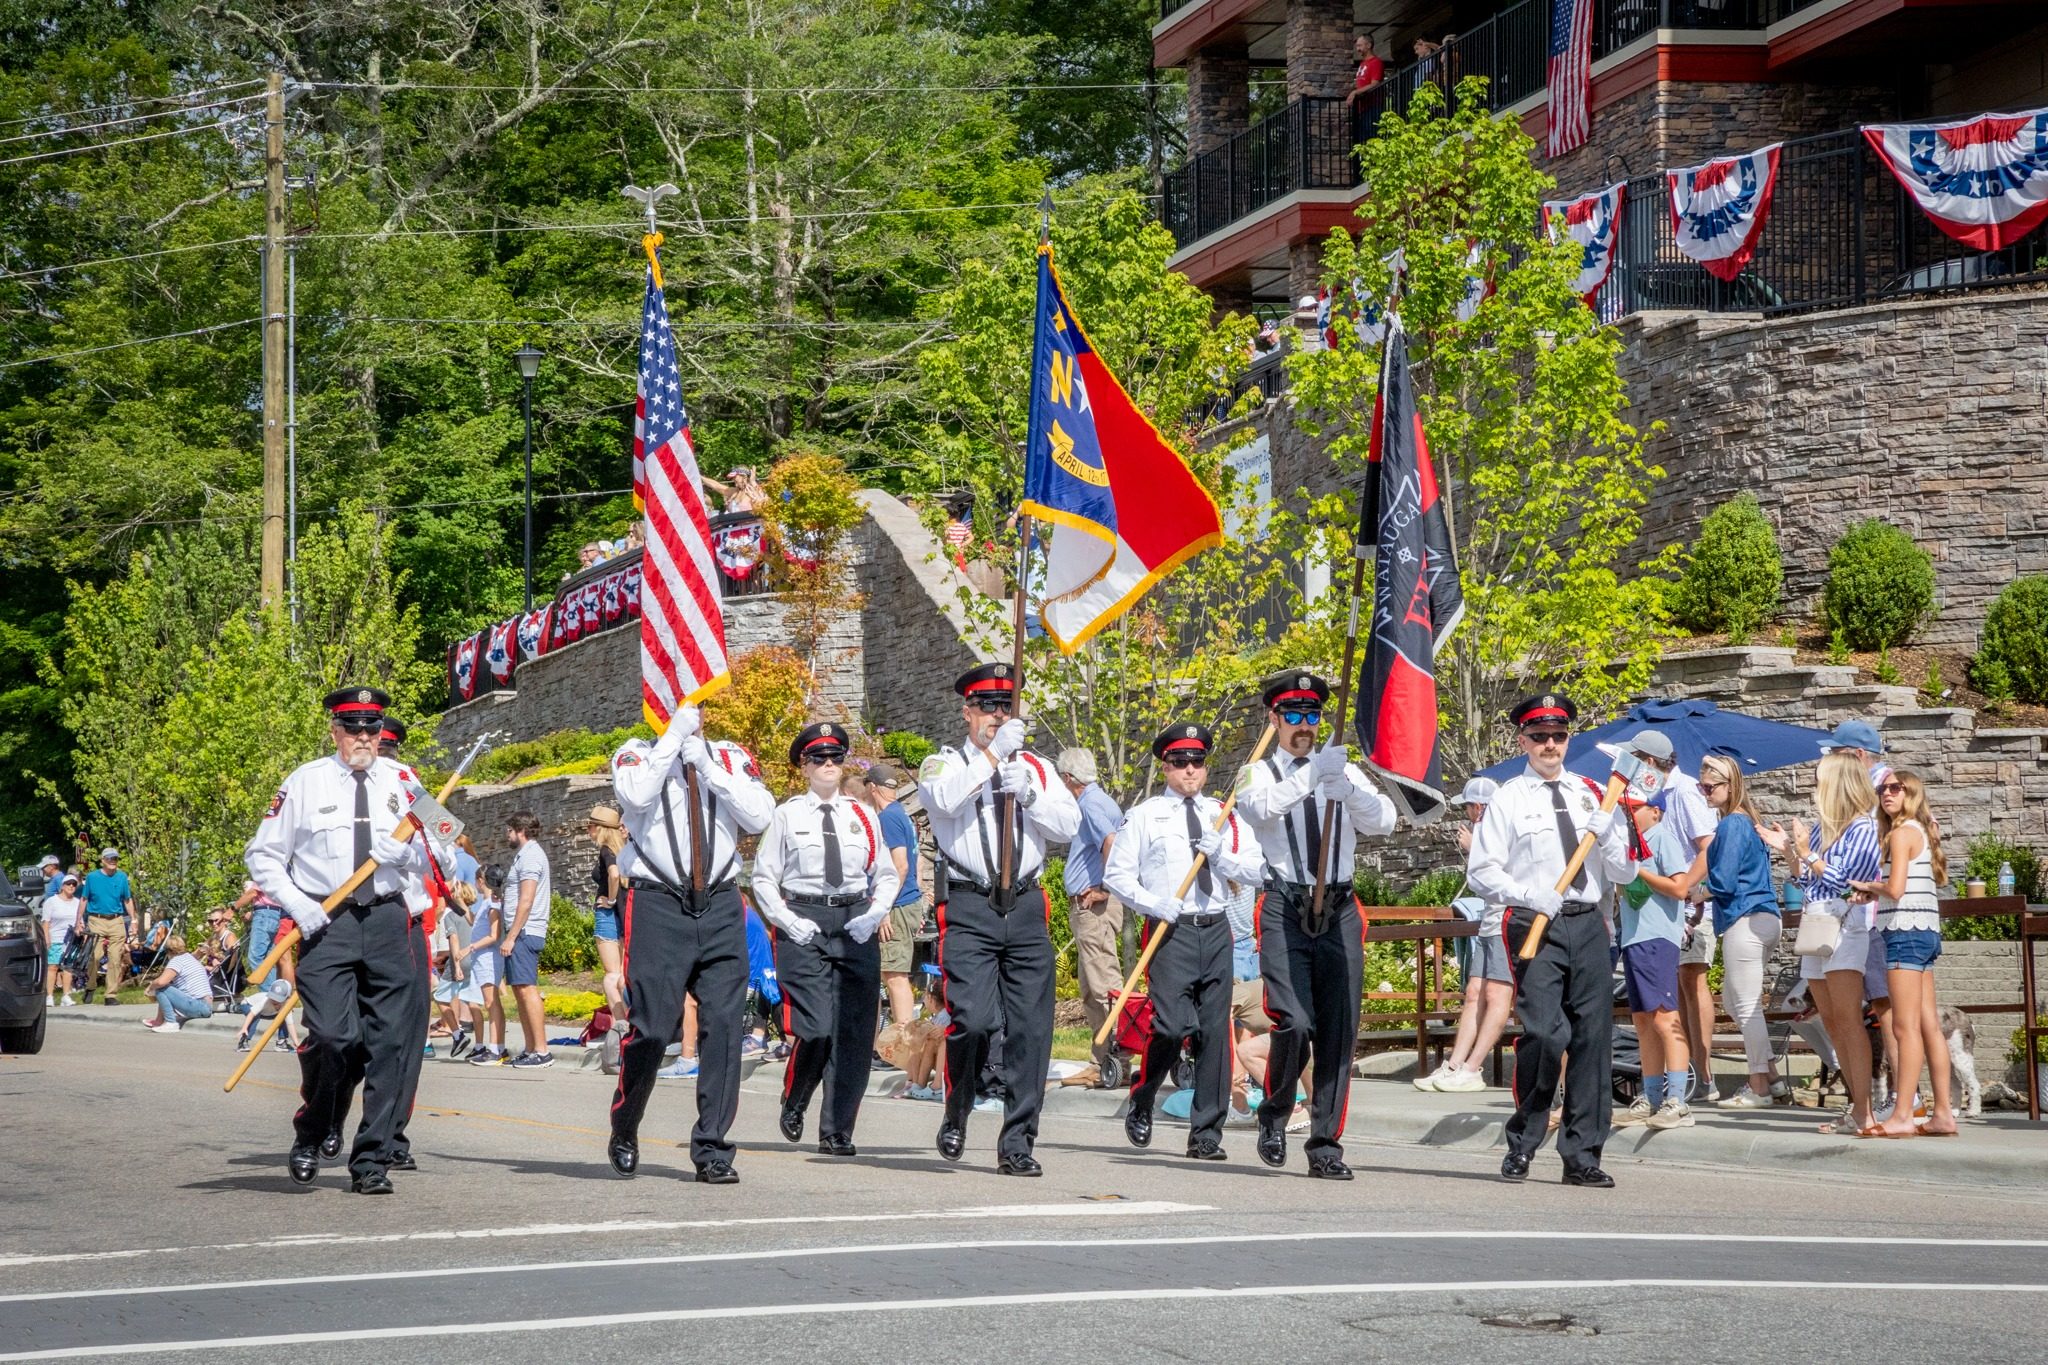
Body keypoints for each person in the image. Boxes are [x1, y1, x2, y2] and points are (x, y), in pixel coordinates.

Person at [243, 684, 438, 1194]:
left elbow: (445, 839)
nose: (363, 737)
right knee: (333, 1038)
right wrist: (300, 904)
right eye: (352, 727)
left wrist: (409, 855)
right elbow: (261, 856)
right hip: (327, 922)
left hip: (388, 919)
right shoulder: (305, 782)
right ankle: (313, 1129)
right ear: (335, 730)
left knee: (391, 1044)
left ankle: (370, 1161)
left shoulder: (405, 779)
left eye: (372, 728)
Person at [915, 662, 1082, 1175]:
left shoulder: (1034, 765)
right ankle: (957, 1108)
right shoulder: (942, 764)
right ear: (967, 712)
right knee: (975, 1021)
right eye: (987, 707)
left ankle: (1018, 1143)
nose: (997, 716)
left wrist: (1028, 790)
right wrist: (990, 757)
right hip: (970, 905)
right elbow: (943, 802)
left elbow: (1068, 823)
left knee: (1032, 1031)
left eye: (1005, 706)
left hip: (1026, 905)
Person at [1234, 669, 1398, 1179]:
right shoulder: (1258, 771)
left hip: (1340, 908)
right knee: (1295, 1021)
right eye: (1292, 716)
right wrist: (1310, 777)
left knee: (1338, 1030)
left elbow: (1385, 821)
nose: (1303, 725)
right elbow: (1256, 809)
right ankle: (1276, 1110)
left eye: (1312, 715)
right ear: (1274, 718)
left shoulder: (1342, 769)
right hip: (1285, 906)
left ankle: (1326, 1144)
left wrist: (1344, 788)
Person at [1468, 692, 1636, 1188]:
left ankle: (1583, 1154)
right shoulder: (1508, 798)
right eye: (1539, 736)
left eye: (1558, 736)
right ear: (1523, 740)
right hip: (1533, 923)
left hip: (1587, 923)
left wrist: (1608, 835)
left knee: (1592, 1040)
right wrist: (1526, 893)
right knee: (1545, 1034)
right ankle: (1524, 1138)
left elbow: (1625, 870)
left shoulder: (1592, 793)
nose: (1550, 745)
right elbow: (1482, 870)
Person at [604, 704, 776, 1184]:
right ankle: (625, 1123)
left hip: (721, 903)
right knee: (654, 1029)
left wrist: (706, 765)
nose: (687, 712)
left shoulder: (726, 755)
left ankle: (713, 1147)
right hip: (659, 904)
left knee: (723, 1026)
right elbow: (635, 798)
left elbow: (760, 815)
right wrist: (672, 743)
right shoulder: (636, 753)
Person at [1106, 722, 1266, 1161]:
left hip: (1216, 930)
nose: (1191, 770)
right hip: (1169, 930)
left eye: (1197, 762)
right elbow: (1116, 876)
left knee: (1215, 1032)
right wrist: (1154, 902)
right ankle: (1144, 1095)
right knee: (1174, 1026)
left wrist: (1222, 855)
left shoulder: (1225, 813)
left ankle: (1206, 1133)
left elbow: (1256, 870)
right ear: (1166, 766)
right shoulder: (1145, 815)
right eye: (1180, 762)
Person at [753, 723, 901, 1156]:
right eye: (819, 758)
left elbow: (886, 875)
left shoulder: (863, 815)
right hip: (805, 919)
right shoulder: (787, 814)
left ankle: (837, 1130)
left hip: (855, 918)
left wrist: (874, 913)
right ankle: (796, 1095)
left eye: (836, 758)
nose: (829, 766)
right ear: (804, 765)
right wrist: (786, 919)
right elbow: (763, 878)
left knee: (854, 1033)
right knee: (815, 1028)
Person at [1762, 749, 1881, 1134]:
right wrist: (1791, 853)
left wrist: (1807, 852)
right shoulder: (1823, 828)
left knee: (1848, 1020)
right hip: (1817, 924)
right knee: (1830, 1020)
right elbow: (1808, 882)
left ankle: (1864, 1110)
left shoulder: (1864, 828)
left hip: (1845, 926)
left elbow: (1847, 883)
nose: (1815, 788)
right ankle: (1855, 1107)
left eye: (1820, 781)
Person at [1854, 770, 1957, 1137]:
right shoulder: (1920, 831)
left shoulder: (1900, 834)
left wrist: (1866, 885)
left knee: (1903, 1026)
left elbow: (1895, 889)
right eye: (1882, 788)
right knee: (1929, 1025)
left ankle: (1901, 1114)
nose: (1886, 793)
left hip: (1904, 934)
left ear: (1911, 793)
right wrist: (1874, 892)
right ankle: (1943, 1113)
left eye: (1895, 788)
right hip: (1926, 932)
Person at [1415, 778, 1513, 1093]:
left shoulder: (1502, 830)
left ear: (1479, 806)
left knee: (1498, 994)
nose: (1467, 813)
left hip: (1505, 923)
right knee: (1474, 992)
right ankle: (1455, 1064)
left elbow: (1497, 876)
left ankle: (1472, 1067)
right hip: (1488, 922)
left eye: (1469, 806)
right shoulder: (1486, 831)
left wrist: (1474, 850)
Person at [1698, 752, 1783, 1109]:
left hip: (1745, 917)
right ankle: (1773, 1079)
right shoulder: (1749, 820)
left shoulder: (1732, 824)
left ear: (1730, 785)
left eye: (1711, 786)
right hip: (1762, 917)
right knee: (1736, 1002)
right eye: (1702, 786)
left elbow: (1724, 880)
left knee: (1746, 1005)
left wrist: (1693, 892)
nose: (1705, 792)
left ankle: (1758, 1086)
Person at [1614, 792, 1696, 1130]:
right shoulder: (1630, 845)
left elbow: (1680, 888)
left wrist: (1639, 872)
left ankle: (1677, 1100)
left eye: (1633, 809)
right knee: (1643, 1021)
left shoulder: (1662, 838)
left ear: (1656, 811)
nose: (1627, 815)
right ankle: (1651, 1098)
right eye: (1624, 809)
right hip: (1634, 937)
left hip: (1657, 937)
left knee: (1664, 1018)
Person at [1057, 747, 1125, 1076]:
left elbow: (1111, 842)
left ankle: (1119, 1058)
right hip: (1090, 906)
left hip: (1095, 906)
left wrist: (1106, 888)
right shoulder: (1096, 802)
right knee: (1090, 986)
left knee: (1103, 985)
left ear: (1068, 779)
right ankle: (1101, 1059)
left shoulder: (1092, 804)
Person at [858, 764, 925, 1028]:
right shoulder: (902, 814)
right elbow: (916, 864)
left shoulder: (887, 818)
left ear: (872, 788)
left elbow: (901, 865)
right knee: (891, 974)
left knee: (894, 976)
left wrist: (883, 907)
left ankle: (902, 1045)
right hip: (906, 901)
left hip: (896, 905)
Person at [500, 812, 555, 1068]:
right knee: (519, 989)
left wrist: (511, 936)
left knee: (526, 988)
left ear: (520, 829)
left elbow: (527, 899)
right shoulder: (525, 855)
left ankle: (542, 1051)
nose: (506, 835)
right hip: (519, 931)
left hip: (525, 931)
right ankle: (531, 1047)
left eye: (509, 830)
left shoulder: (531, 856)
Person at [461, 864, 510, 1066]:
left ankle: (496, 1048)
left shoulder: (493, 905)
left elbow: (493, 935)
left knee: (492, 1003)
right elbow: (476, 924)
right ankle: (496, 1047)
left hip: (489, 958)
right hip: (482, 959)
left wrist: (469, 947)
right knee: (490, 1002)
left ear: (482, 881)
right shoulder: (486, 903)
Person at [586, 805, 628, 1027]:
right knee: (622, 973)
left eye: (590, 826)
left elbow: (613, 874)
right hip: (624, 915)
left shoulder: (606, 850)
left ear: (601, 829)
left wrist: (609, 900)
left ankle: (621, 1025)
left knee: (611, 976)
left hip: (608, 915)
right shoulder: (625, 850)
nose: (588, 830)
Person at [80, 847, 138, 1003]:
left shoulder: (121, 877)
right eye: (110, 859)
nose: (113, 862)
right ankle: (91, 985)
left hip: (116, 920)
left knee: (115, 958)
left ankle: (110, 995)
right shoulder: (92, 877)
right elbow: (84, 899)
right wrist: (78, 921)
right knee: (96, 955)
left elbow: (127, 899)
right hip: (96, 919)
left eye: (115, 859)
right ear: (103, 860)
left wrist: (133, 920)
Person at [140, 936, 216, 1032]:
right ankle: (159, 1021)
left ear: (168, 951)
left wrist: (150, 987)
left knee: (161, 988)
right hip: (206, 1006)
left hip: (198, 1005)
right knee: (165, 989)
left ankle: (171, 1023)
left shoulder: (176, 961)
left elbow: (161, 982)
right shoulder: (190, 958)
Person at [40, 870, 83, 1008]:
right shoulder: (52, 902)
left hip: (71, 940)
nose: (71, 886)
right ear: (62, 886)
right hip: (56, 937)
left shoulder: (77, 902)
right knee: (53, 966)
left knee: (68, 967)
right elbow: (46, 922)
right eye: (68, 884)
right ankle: (49, 996)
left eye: (74, 884)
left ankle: (66, 995)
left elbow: (80, 920)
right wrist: (47, 938)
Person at [1344, 34, 1385, 108]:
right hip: (1362, 107)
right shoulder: (1363, 63)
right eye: (1357, 46)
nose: (1357, 49)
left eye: (1360, 46)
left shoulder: (1376, 62)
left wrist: (1355, 92)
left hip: (1373, 106)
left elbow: (1375, 84)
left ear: (1369, 45)